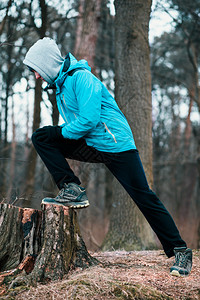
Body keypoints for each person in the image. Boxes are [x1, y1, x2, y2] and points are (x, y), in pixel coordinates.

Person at [23, 37, 192, 277]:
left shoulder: (81, 78)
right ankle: (71, 188)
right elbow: (76, 124)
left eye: (37, 70)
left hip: (116, 145)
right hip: (92, 143)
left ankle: (181, 251)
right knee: (42, 137)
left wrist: (62, 133)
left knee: (144, 196)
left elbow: (89, 120)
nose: (37, 77)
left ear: (48, 63)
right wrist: (61, 134)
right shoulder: (61, 86)